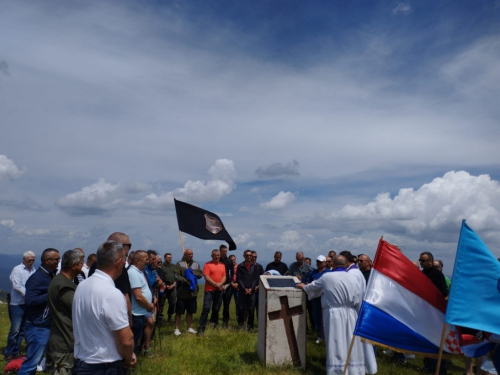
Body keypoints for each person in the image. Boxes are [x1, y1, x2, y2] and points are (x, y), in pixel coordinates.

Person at [72, 241, 136, 375]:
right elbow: (125, 340)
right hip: (104, 365)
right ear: (118, 262)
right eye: (124, 261)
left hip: (81, 361)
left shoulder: (82, 286)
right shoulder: (112, 294)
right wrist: (129, 357)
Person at [297, 255, 364, 375]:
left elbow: (313, 287)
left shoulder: (327, 277)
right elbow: (358, 297)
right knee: (349, 341)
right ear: (345, 264)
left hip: (334, 314)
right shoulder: (354, 277)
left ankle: (337, 370)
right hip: (351, 313)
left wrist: (303, 286)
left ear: (332, 264)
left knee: (335, 341)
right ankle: (353, 369)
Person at [18, 248, 60, 375]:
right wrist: (50, 294)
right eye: (56, 259)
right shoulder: (37, 278)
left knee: (35, 362)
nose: (59, 261)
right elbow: (30, 300)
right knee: (31, 363)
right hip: (37, 326)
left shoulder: (49, 275)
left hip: (44, 324)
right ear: (47, 261)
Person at [46, 249, 83, 375]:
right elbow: (80, 309)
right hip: (65, 341)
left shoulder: (60, 281)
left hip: (63, 338)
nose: (83, 265)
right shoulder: (64, 286)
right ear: (74, 265)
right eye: (81, 262)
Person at [89, 232, 133, 326]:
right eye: (128, 245)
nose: (129, 249)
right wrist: (129, 322)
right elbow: (126, 298)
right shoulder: (119, 268)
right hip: (115, 318)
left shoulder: (94, 266)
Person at [4, 251, 36, 361]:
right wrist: (30, 295)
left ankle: (16, 350)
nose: (31, 262)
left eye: (33, 260)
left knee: (23, 329)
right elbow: (16, 286)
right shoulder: (17, 270)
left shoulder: (33, 270)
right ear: (24, 259)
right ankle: (9, 352)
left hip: (27, 304)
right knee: (15, 330)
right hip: (17, 303)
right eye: (29, 260)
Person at [420, 251, 448, 374]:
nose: (421, 262)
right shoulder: (421, 274)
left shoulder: (437, 275)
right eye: (420, 260)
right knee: (427, 339)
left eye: (423, 260)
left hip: (435, 312)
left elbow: (443, 294)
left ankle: (440, 367)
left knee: (437, 341)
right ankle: (428, 364)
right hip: (425, 311)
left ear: (430, 261)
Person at [127, 250, 154, 353]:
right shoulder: (133, 273)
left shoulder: (138, 272)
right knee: (133, 338)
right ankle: (129, 362)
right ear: (138, 260)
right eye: (146, 259)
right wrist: (148, 306)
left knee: (137, 337)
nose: (147, 261)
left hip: (140, 312)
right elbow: (138, 296)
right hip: (136, 312)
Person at [174, 249, 202, 336]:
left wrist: (191, 272)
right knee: (179, 311)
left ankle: (189, 327)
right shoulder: (179, 264)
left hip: (192, 293)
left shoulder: (196, 264)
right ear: (185, 254)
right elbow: (176, 275)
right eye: (189, 254)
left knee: (190, 311)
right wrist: (186, 280)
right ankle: (177, 329)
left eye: (192, 254)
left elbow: (200, 274)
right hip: (182, 292)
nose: (191, 255)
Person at [303, 255, 330, 344]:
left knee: (326, 317)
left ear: (325, 263)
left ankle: (326, 335)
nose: (319, 263)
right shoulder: (312, 272)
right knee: (317, 316)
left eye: (321, 262)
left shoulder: (329, 273)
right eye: (317, 261)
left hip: (325, 298)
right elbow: (307, 282)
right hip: (315, 298)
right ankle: (319, 335)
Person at [198, 249, 226, 335]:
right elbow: (206, 277)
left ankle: (214, 325)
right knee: (206, 309)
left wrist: (220, 284)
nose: (217, 257)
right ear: (212, 256)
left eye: (218, 255)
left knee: (216, 309)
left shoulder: (222, 265)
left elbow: (224, 276)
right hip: (209, 290)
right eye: (215, 255)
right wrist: (215, 284)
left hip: (219, 290)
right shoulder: (207, 264)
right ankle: (201, 329)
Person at [236, 250, 260, 332]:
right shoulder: (240, 266)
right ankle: (241, 327)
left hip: (252, 292)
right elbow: (238, 279)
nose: (249, 257)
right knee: (241, 309)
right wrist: (244, 289)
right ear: (244, 256)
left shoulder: (255, 267)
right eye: (247, 255)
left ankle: (250, 327)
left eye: (250, 255)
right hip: (243, 292)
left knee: (251, 310)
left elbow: (256, 279)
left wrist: (251, 289)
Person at [159, 253, 176, 323]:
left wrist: (173, 285)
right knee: (161, 303)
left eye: (171, 257)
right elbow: (160, 276)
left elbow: (176, 276)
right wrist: (165, 285)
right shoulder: (161, 266)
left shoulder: (174, 266)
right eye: (168, 257)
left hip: (172, 287)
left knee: (173, 303)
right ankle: (160, 317)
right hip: (164, 287)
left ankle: (170, 316)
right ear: (165, 258)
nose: (170, 259)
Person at [219, 245, 233, 329]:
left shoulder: (229, 261)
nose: (225, 253)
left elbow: (231, 274)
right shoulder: (217, 260)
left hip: (227, 286)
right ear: (220, 251)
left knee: (226, 305)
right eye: (223, 251)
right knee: (217, 305)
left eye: (226, 251)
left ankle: (225, 322)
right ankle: (214, 321)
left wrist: (228, 284)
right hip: (218, 285)